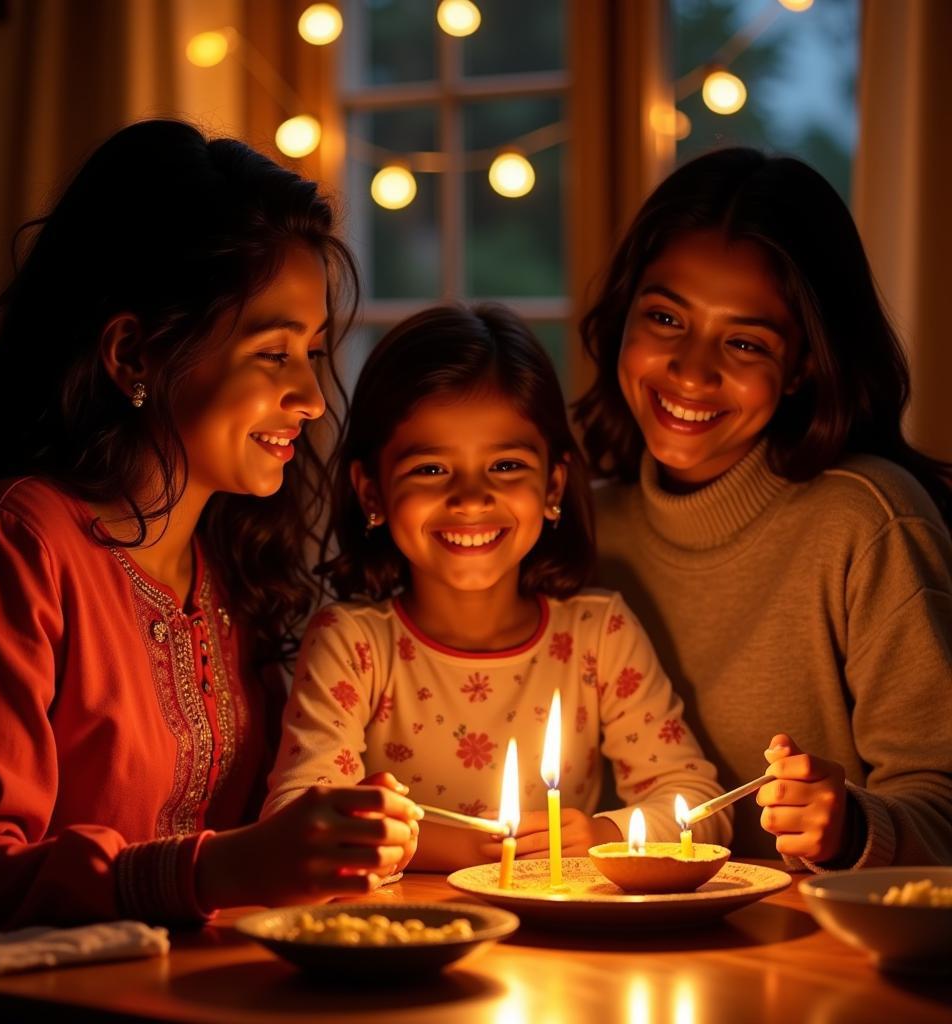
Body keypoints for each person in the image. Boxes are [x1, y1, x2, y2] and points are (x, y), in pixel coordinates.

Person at [0, 119, 421, 932]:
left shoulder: (231, 563)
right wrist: (225, 866)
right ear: (133, 356)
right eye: (273, 353)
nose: (307, 394)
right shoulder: (14, 542)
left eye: (313, 351)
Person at [574, 147, 952, 870]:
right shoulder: (585, 532)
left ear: (804, 363)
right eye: (664, 318)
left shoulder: (866, 523)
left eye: (744, 342)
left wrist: (851, 826)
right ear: (624, 314)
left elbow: (943, 804)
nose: (691, 369)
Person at [263, 304, 727, 871]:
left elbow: (701, 805)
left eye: (506, 466)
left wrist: (602, 833)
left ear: (553, 483)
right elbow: (299, 818)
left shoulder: (597, 635)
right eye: (431, 470)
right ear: (372, 493)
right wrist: (469, 850)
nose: (471, 499)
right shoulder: (353, 646)